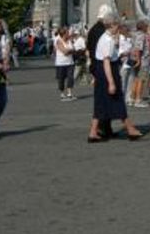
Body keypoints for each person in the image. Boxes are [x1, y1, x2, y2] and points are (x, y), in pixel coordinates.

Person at [89, 14, 143, 143]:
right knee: (117, 99)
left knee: (101, 102)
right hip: (108, 72)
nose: (118, 28)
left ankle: (93, 132)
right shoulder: (107, 40)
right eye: (117, 25)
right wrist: (111, 82)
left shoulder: (106, 38)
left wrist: (126, 53)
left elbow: (110, 57)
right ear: (111, 25)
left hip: (103, 71)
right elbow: (106, 62)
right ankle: (130, 129)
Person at [53, 27, 76, 101]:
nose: (69, 34)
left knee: (70, 78)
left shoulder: (70, 41)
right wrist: (70, 50)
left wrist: (70, 50)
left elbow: (74, 49)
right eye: (67, 33)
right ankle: (62, 94)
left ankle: (69, 94)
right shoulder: (58, 41)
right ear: (64, 34)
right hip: (61, 63)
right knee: (61, 79)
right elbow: (64, 52)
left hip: (70, 63)